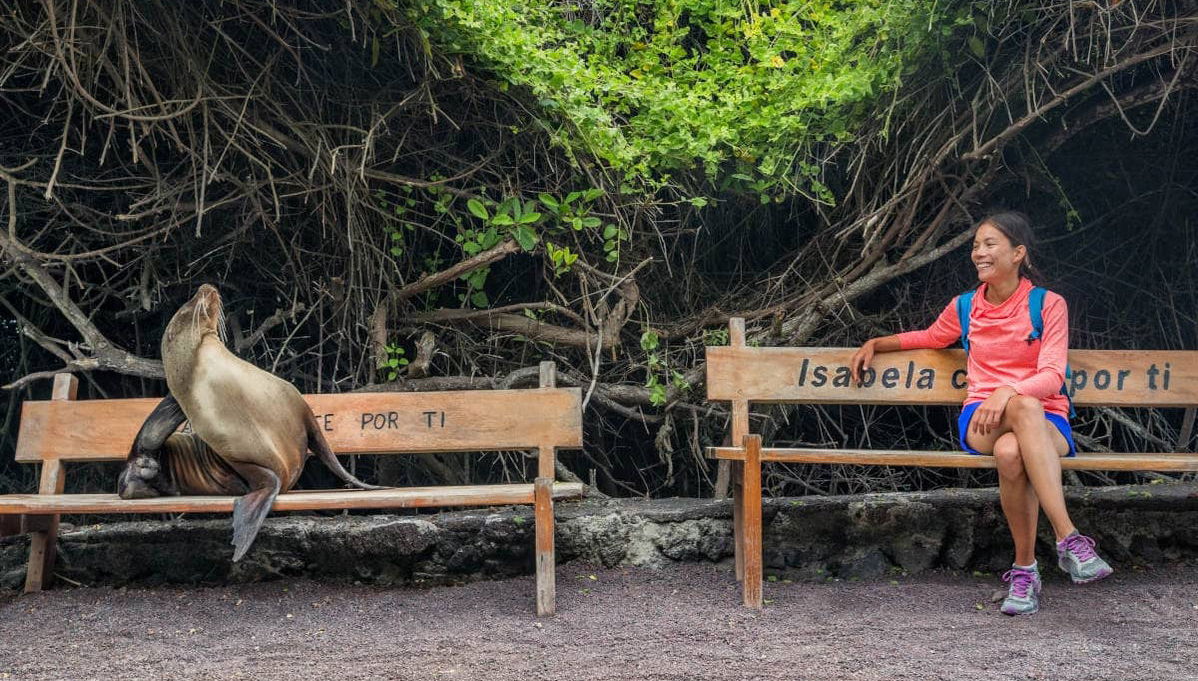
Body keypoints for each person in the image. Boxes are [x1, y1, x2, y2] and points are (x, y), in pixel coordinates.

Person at [849, 211, 1112, 616]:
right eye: (976, 245)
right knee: (1020, 411)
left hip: (1047, 419)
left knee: (1012, 449)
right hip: (982, 420)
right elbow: (932, 337)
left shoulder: (1047, 304)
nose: (978, 253)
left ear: (1018, 253)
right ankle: (1069, 538)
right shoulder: (966, 305)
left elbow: (1053, 376)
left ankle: (1025, 572)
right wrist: (876, 342)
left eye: (990, 244)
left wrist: (1007, 391)